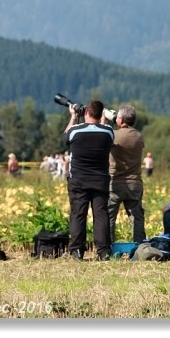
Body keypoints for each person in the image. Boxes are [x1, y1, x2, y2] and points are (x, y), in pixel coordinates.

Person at [64, 100, 114, 261]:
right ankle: (103, 251)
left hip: (78, 179)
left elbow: (66, 137)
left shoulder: (75, 131)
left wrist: (73, 117)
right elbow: (107, 132)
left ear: (86, 113)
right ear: (101, 114)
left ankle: (77, 250)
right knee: (101, 215)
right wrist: (104, 120)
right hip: (100, 179)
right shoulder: (107, 132)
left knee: (78, 214)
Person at [105, 104, 146, 244]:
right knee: (137, 217)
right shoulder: (139, 136)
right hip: (135, 182)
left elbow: (104, 140)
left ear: (121, 120)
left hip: (115, 181)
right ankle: (139, 246)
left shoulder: (114, 135)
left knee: (110, 217)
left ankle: (109, 246)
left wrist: (105, 121)